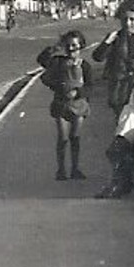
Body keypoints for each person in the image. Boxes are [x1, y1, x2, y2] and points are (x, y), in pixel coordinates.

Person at [91, 5, 134, 198]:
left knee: (126, 136)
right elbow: (97, 57)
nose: (128, 23)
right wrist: (107, 42)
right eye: (125, 19)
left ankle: (124, 181)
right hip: (118, 89)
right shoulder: (115, 37)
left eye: (132, 19)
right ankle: (123, 179)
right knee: (120, 127)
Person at [36, 29, 90, 180]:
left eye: (75, 45)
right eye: (68, 45)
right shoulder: (58, 62)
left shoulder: (85, 66)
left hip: (79, 105)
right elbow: (41, 61)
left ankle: (75, 168)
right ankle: (61, 170)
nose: (72, 48)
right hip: (61, 104)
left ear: (81, 46)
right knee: (63, 138)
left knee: (75, 137)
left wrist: (79, 93)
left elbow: (90, 86)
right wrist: (54, 48)